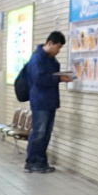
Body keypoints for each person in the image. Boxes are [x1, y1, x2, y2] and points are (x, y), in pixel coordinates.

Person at [24, 31, 75, 173]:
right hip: (40, 102)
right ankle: (32, 161)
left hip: (50, 101)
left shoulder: (51, 60)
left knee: (46, 133)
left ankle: (41, 161)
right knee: (39, 132)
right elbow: (39, 79)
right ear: (49, 43)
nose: (58, 51)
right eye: (57, 47)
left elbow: (50, 76)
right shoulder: (37, 59)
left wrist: (60, 76)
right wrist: (59, 78)